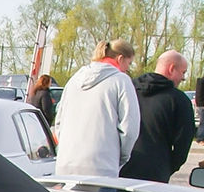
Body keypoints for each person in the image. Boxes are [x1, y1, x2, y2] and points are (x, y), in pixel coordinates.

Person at [52, 38, 140, 177]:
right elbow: (129, 129)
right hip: (102, 166)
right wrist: (121, 157)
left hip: (66, 165)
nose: (128, 69)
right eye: (128, 63)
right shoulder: (121, 81)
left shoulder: (73, 80)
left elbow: (59, 122)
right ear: (120, 58)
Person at [121, 50, 194, 183]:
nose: (183, 78)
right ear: (171, 68)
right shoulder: (179, 100)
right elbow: (183, 145)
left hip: (120, 170)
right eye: (183, 72)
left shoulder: (126, 91)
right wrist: (166, 167)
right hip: (155, 174)